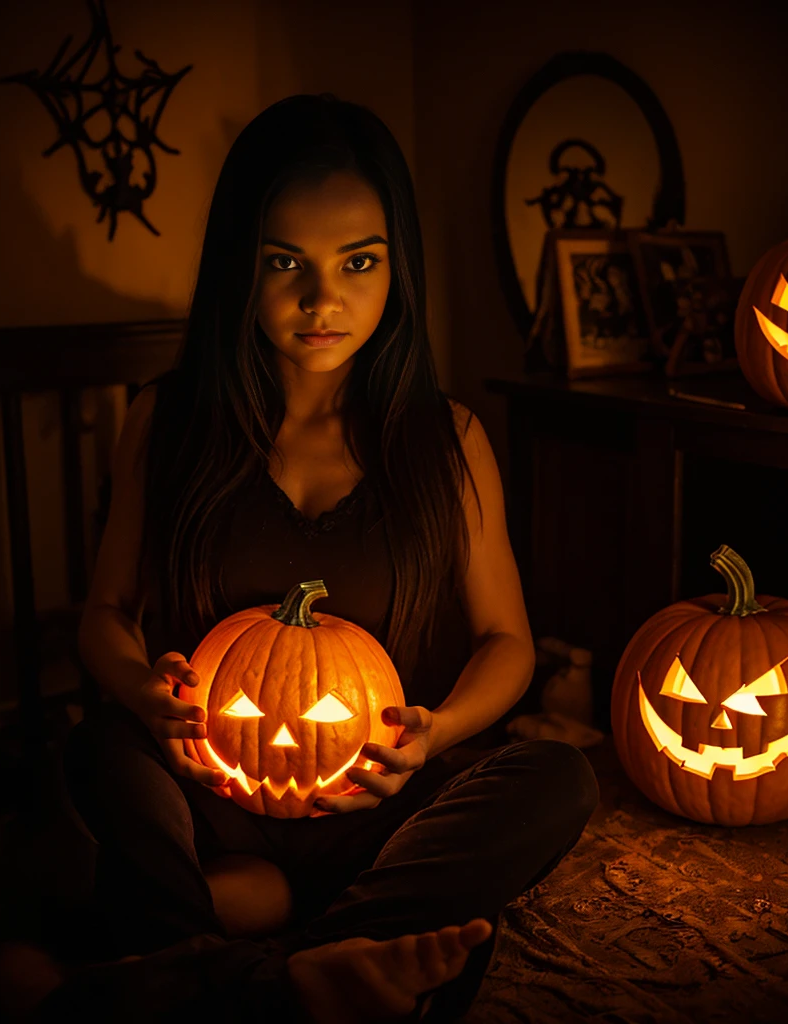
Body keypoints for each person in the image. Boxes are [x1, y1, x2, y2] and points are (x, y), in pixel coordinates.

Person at [31, 93, 599, 1023]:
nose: (322, 300)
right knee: (99, 751)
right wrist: (142, 693)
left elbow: (507, 641)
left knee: (556, 777)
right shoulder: (165, 422)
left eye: (359, 262)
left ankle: (232, 957)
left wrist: (437, 733)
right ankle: (318, 967)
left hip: (376, 811)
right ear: (238, 271)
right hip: (207, 796)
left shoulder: (447, 439)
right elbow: (105, 614)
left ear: (397, 268)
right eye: (285, 262)